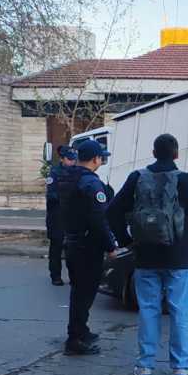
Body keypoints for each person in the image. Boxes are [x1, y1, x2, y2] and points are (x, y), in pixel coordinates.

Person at [108, 133, 188, 375]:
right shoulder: (186, 180)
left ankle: (145, 366)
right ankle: (181, 366)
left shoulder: (137, 178)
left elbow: (113, 211)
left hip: (146, 256)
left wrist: (127, 241)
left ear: (153, 153)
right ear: (177, 154)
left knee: (148, 310)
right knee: (181, 310)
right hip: (180, 257)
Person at [59, 139, 117, 356]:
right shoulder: (91, 184)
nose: (102, 161)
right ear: (95, 159)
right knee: (85, 293)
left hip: (72, 242)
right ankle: (74, 339)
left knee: (78, 291)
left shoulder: (68, 177)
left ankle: (81, 331)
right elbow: (98, 219)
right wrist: (110, 246)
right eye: (101, 157)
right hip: (87, 246)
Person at [46, 145, 77, 286]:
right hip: (57, 216)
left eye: (74, 159)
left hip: (71, 216)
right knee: (56, 247)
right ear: (62, 159)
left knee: (72, 248)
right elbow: (51, 195)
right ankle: (56, 276)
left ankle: (74, 276)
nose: (72, 162)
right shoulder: (54, 173)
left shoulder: (77, 172)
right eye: (69, 159)